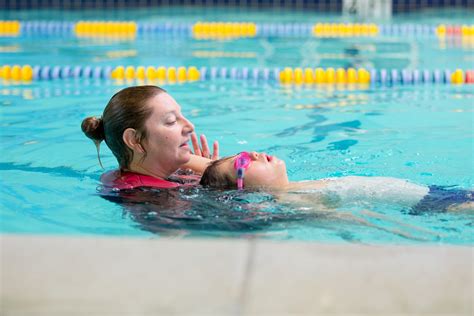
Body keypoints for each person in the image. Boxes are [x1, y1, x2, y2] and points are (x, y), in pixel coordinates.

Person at [200, 151, 474, 214]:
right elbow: (343, 220)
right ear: (243, 191)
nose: (255, 154)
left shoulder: (298, 186)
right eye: (244, 162)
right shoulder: (292, 200)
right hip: (432, 206)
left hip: (436, 194)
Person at [81, 85, 218, 191]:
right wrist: (220, 181)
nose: (190, 126)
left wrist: (210, 171)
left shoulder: (151, 172)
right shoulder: (151, 200)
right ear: (134, 140)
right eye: (171, 121)